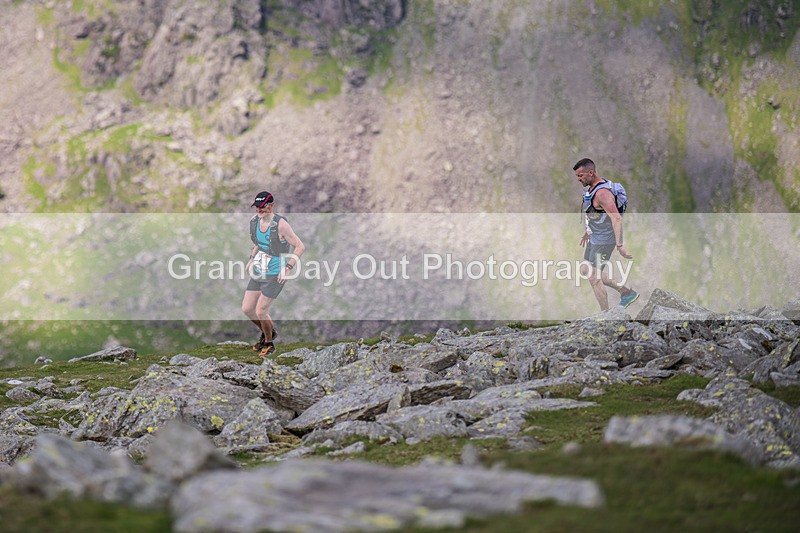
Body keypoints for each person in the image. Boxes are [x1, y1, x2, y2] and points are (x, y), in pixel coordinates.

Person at [241, 191, 305, 357]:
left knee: (261, 311)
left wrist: (288, 268)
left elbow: (299, 246)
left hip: (276, 273)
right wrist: (251, 259)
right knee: (247, 308)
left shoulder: (281, 225)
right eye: (257, 207)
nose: (259, 211)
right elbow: (259, 243)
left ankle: (269, 342)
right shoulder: (255, 222)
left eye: (262, 207)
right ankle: (268, 331)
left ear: (271, 206)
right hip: (260, 269)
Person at [573, 158, 639, 311]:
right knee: (585, 269)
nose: (578, 179)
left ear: (591, 172)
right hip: (596, 237)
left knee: (593, 277)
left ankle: (605, 316)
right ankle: (626, 292)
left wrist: (620, 245)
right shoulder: (591, 190)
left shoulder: (603, 193)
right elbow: (594, 213)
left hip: (605, 241)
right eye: (577, 176)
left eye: (580, 175)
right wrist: (588, 231)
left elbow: (616, 218)